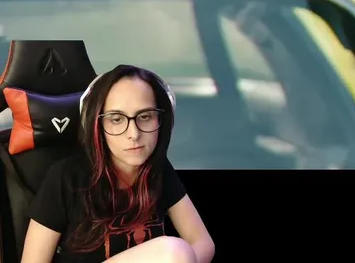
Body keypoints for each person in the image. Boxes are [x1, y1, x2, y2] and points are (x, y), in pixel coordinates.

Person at [21, 65, 215, 263]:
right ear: (97, 125)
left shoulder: (158, 169)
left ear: (161, 120)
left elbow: (203, 243)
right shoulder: (66, 177)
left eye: (145, 116)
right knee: (174, 251)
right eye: (116, 119)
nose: (134, 134)